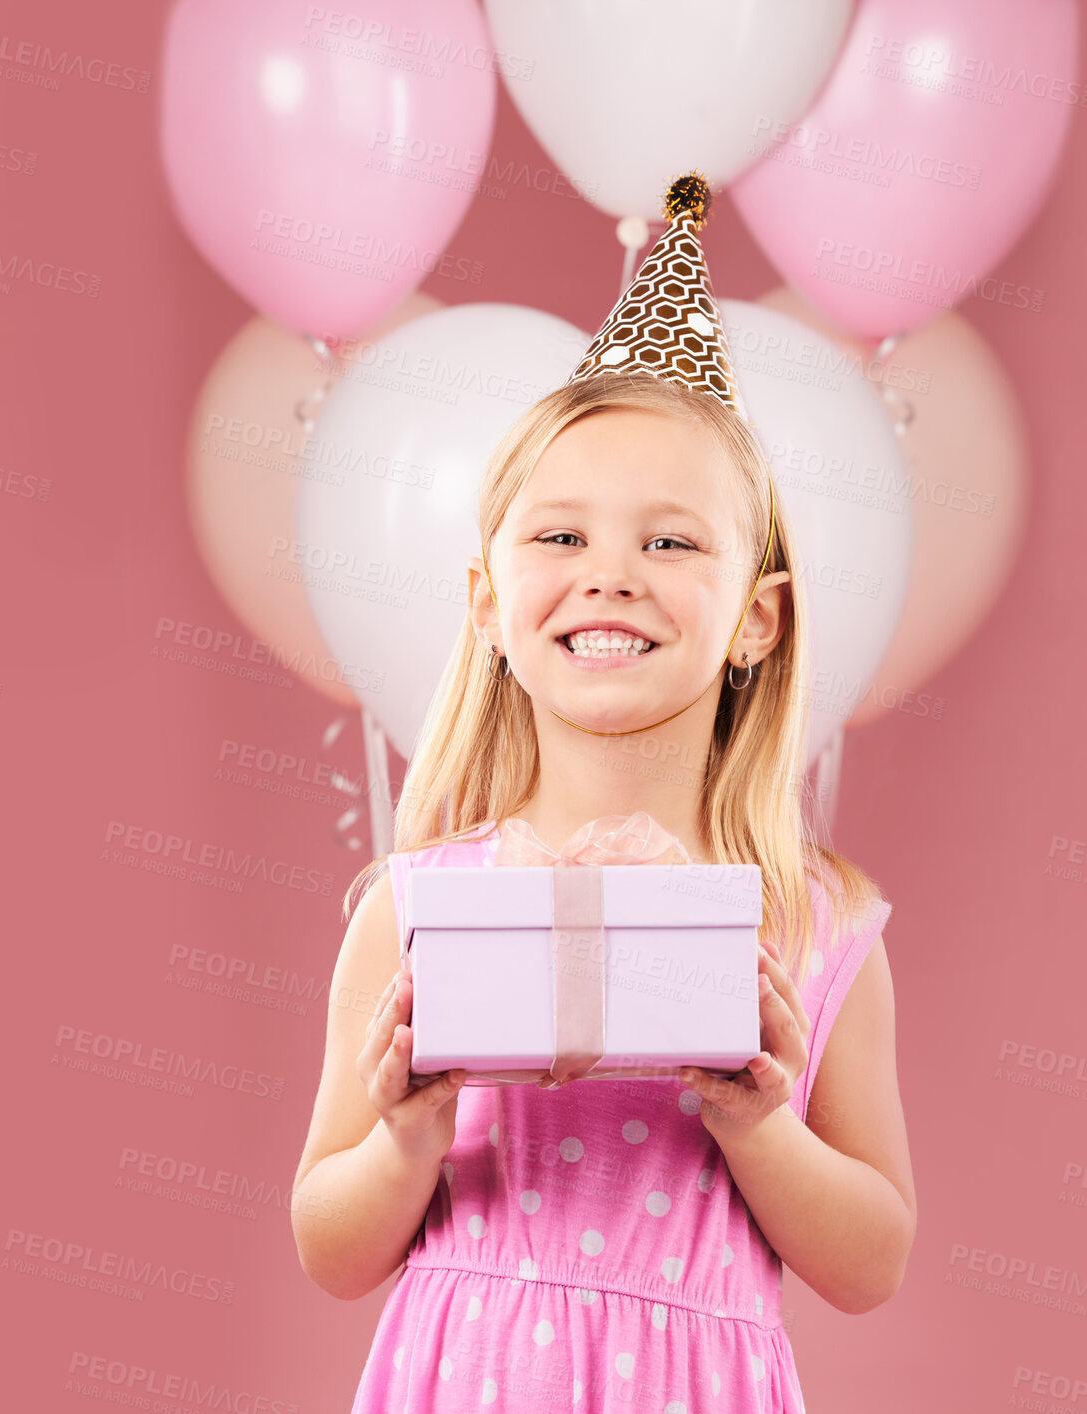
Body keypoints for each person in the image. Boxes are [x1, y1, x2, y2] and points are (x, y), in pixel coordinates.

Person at [291, 174, 916, 1412]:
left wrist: (759, 1122)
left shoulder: (813, 923)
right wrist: (408, 1130)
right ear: (488, 607)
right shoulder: (416, 906)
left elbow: (872, 1257)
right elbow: (328, 1242)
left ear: (755, 618)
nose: (611, 577)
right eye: (560, 537)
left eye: (672, 541)